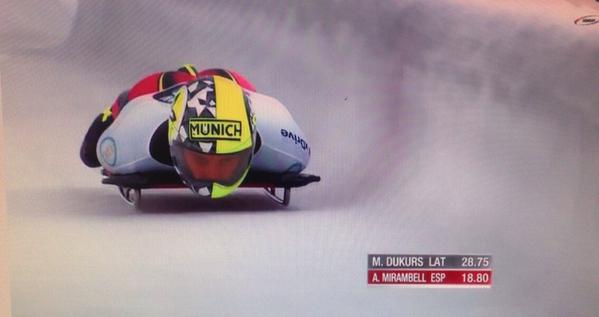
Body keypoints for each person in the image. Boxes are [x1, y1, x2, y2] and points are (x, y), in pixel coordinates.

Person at [80, 65, 311, 198]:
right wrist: (116, 111)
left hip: (232, 84)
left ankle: (198, 77)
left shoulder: (277, 129)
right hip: (162, 90)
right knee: (89, 153)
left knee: (223, 77)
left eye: (227, 162)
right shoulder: (134, 131)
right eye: (201, 161)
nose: (213, 175)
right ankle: (184, 76)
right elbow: (100, 152)